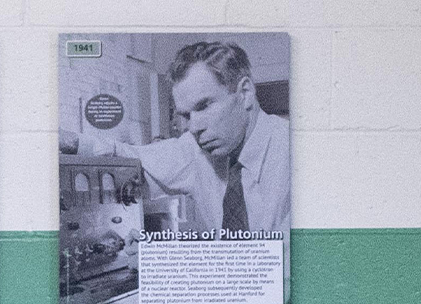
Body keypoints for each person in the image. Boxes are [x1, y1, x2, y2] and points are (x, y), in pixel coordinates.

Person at [65, 41, 287, 233]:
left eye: (204, 106)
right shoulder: (194, 150)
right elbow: (130, 159)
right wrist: (72, 143)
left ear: (245, 93)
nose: (194, 127)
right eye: (186, 115)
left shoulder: (297, 153)